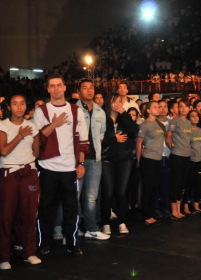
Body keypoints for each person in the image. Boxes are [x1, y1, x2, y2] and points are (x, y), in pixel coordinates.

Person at [33, 74, 89, 256]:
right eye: (52, 86)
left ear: (65, 87)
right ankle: (43, 243)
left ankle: (72, 243)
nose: (56, 88)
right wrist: (54, 124)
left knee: (71, 209)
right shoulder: (42, 111)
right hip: (47, 167)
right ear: (48, 89)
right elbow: (37, 140)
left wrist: (80, 163)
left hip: (69, 169)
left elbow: (82, 140)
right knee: (46, 208)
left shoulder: (76, 110)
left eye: (59, 85)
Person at [0, 94, 41, 270]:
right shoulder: (2, 125)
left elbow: (37, 152)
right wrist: (19, 135)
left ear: (26, 106)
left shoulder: (32, 126)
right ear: (9, 107)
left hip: (28, 172)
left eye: (22, 103)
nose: (19, 107)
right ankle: (4, 257)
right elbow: (3, 151)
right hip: (9, 172)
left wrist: (28, 164)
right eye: (15, 103)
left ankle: (29, 252)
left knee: (30, 214)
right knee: (6, 215)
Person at [101, 93, 139, 235]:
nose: (117, 103)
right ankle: (105, 223)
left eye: (119, 101)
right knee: (108, 193)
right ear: (108, 103)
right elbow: (99, 140)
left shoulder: (124, 118)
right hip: (107, 159)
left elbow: (134, 131)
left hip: (124, 159)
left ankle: (122, 221)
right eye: (114, 101)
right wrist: (114, 138)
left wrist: (124, 113)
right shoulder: (102, 118)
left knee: (122, 193)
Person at [76, 78, 109, 240]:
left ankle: (91, 228)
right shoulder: (72, 109)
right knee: (74, 195)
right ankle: (72, 230)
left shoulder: (100, 111)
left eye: (91, 87)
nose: (89, 90)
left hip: (95, 158)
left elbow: (101, 136)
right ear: (79, 91)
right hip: (76, 159)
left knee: (91, 196)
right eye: (85, 87)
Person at [136, 101, 166, 225]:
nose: (158, 109)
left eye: (158, 107)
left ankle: (151, 212)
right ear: (148, 110)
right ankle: (146, 214)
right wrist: (139, 161)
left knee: (154, 187)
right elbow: (138, 144)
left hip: (158, 159)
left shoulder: (159, 124)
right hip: (148, 159)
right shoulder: (145, 125)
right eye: (154, 107)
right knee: (148, 188)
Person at [166, 98, 192, 219]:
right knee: (175, 183)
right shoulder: (174, 121)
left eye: (186, 106)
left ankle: (179, 209)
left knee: (182, 183)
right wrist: (173, 149)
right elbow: (168, 138)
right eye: (181, 106)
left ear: (189, 108)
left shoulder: (189, 122)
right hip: (177, 156)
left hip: (187, 156)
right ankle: (174, 211)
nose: (183, 108)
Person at [187, 110, 201, 213]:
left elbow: (200, 145)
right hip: (190, 159)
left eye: (196, 115)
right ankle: (187, 205)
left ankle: (197, 205)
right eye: (192, 116)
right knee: (189, 183)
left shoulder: (200, 130)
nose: (195, 118)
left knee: (198, 183)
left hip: (199, 159)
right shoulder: (187, 130)